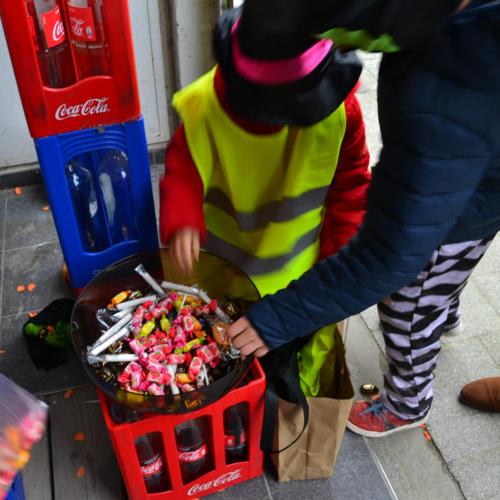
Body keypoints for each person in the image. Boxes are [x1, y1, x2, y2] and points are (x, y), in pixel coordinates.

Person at [224, 0, 500, 437]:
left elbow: (388, 256)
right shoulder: (440, 29)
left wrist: (274, 320)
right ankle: (443, 311)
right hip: (478, 186)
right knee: (444, 272)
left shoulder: (444, 95)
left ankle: (408, 403)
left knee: (408, 302)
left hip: (465, 209)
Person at [159, 8, 371, 316]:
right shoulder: (206, 106)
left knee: (289, 357)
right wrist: (182, 220)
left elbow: (351, 189)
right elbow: (182, 165)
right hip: (223, 270)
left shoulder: (342, 114)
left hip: (299, 281)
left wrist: (338, 264)